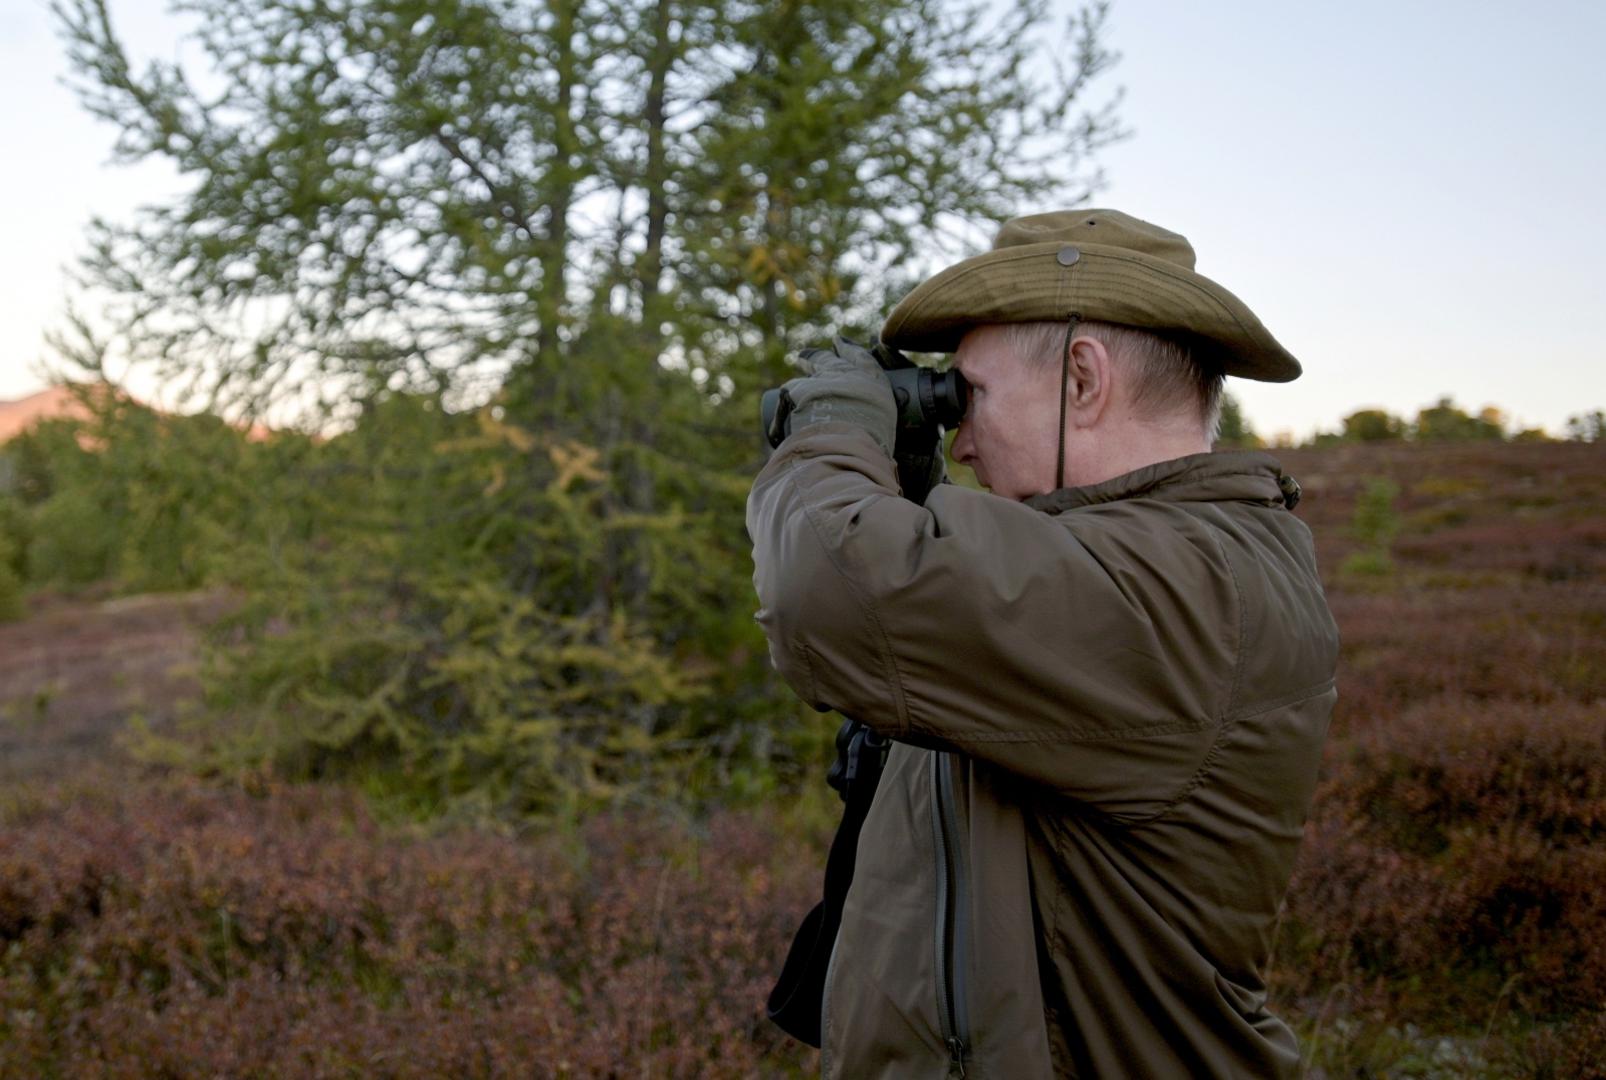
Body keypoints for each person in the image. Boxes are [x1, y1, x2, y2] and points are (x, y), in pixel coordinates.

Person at [746, 210, 1340, 1078]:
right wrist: (911, 486)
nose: (965, 438)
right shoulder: (1133, 564)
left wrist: (832, 431)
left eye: (971, 396)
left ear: (1083, 380)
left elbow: (827, 592)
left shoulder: (1196, 587)